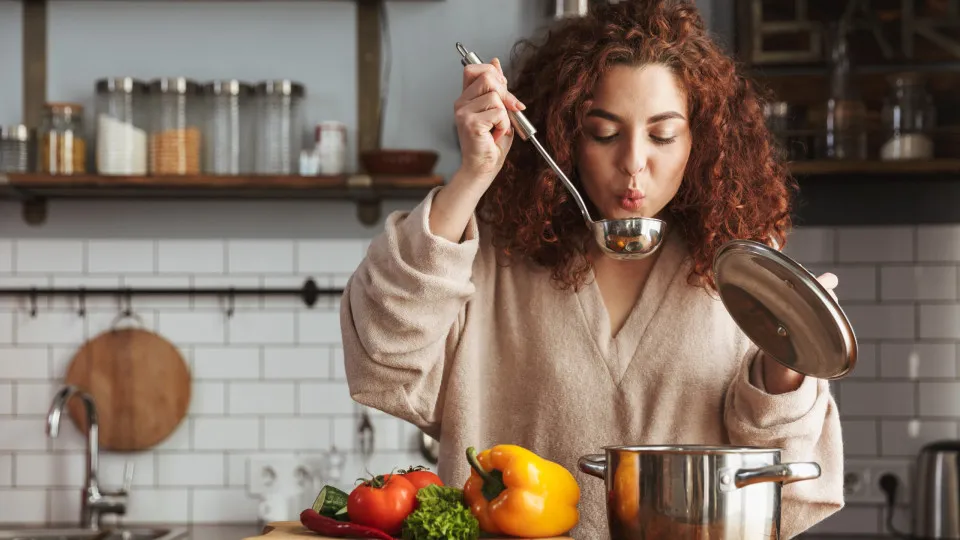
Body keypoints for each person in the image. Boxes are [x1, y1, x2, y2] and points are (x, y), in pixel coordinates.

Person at [340, 0, 844, 537]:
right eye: (603, 133)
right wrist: (471, 176)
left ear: (702, 143)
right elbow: (383, 358)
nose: (633, 161)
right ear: (564, 137)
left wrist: (787, 360)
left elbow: (781, 484)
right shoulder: (490, 257)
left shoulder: (745, 274)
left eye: (663, 135)